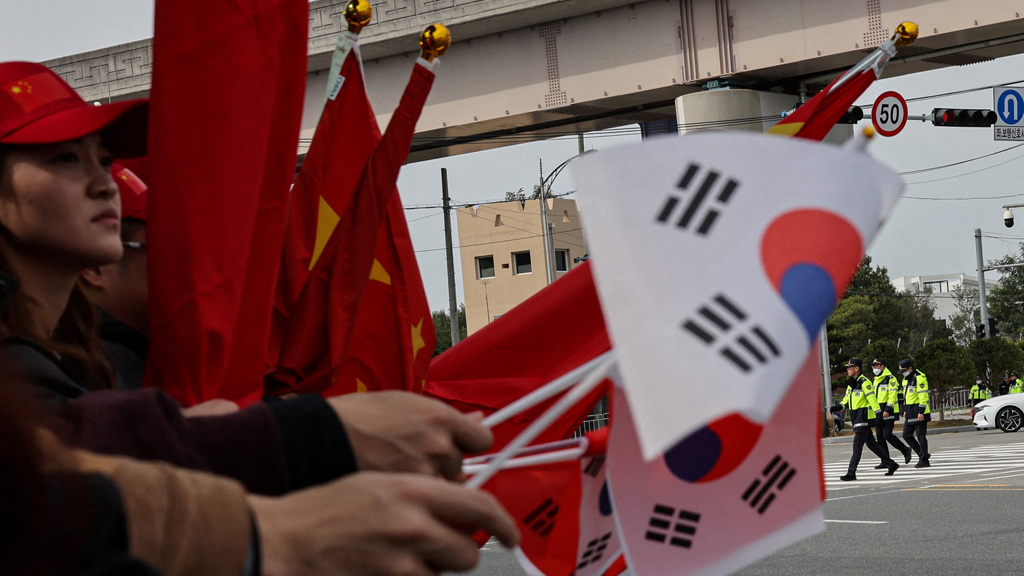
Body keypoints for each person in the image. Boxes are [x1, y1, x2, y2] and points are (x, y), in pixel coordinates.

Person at [0, 60, 520, 574]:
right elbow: (50, 490)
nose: (103, 183)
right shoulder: (28, 373)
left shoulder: (66, 359)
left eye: (104, 157)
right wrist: (302, 455)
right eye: (66, 158)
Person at [839, 358, 898, 481]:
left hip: (864, 417)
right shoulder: (852, 383)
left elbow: (872, 400)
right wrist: (840, 406)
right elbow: (846, 398)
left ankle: (851, 472)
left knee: (857, 445)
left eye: (850, 367)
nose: (848, 369)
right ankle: (891, 464)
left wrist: (879, 414)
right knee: (871, 444)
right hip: (856, 417)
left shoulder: (865, 382)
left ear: (857, 368)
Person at [870, 358, 911, 467]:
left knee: (887, 434)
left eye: (876, 366)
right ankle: (885, 460)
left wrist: (888, 409)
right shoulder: (876, 379)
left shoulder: (891, 379)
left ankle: (905, 450)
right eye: (873, 366)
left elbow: (892, 395)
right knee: (880, 437)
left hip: (889, 410)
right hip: (879, 411)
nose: (874, 368)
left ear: (882, 366)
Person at [899, 358, 931, 468]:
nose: (903, 373)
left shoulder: (919, 378)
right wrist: (905, 410)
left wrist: (921, 412)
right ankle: (923, 454)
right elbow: (906, 396)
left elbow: (923, 396)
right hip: (910, 410)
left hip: (919, 410)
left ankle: (924, 460)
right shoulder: (905, 379)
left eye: (904, 371)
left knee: (921, 436)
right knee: (906, 435)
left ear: (910, 368)